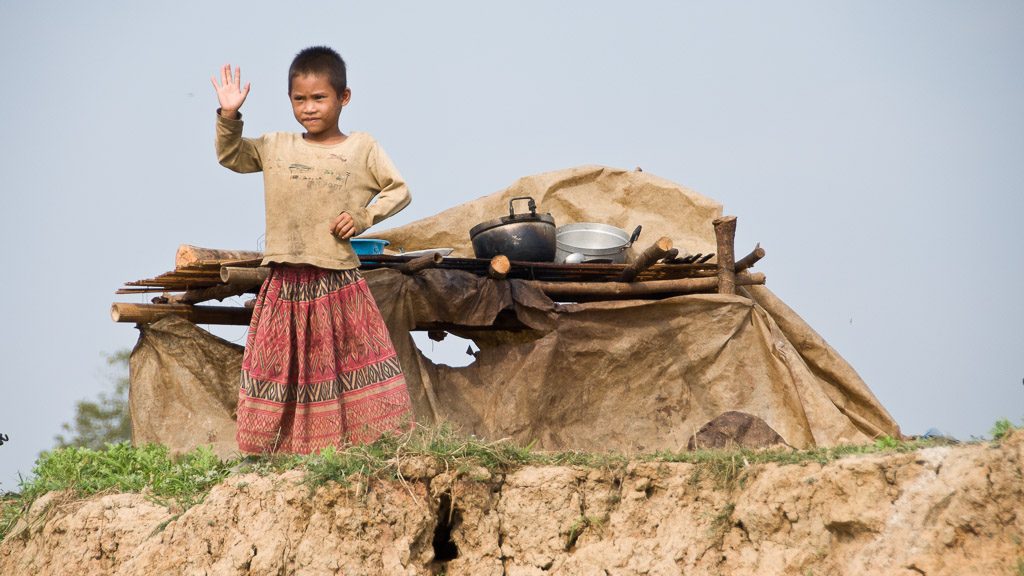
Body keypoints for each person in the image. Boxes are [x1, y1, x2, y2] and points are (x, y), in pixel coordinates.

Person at [210, 46, 414, 454]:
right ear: (289, 100)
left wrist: (362, 217)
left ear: (344, 97)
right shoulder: (275, 145)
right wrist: (229, 116)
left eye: (319, 98)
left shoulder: (361, 147)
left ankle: (370, 449)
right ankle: (275, 454)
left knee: (351, 364)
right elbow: (231, 155)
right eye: (299, 99)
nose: (309, 108)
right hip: (284, 282)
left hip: (337, 279)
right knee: (278, 370)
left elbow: (399, 190)